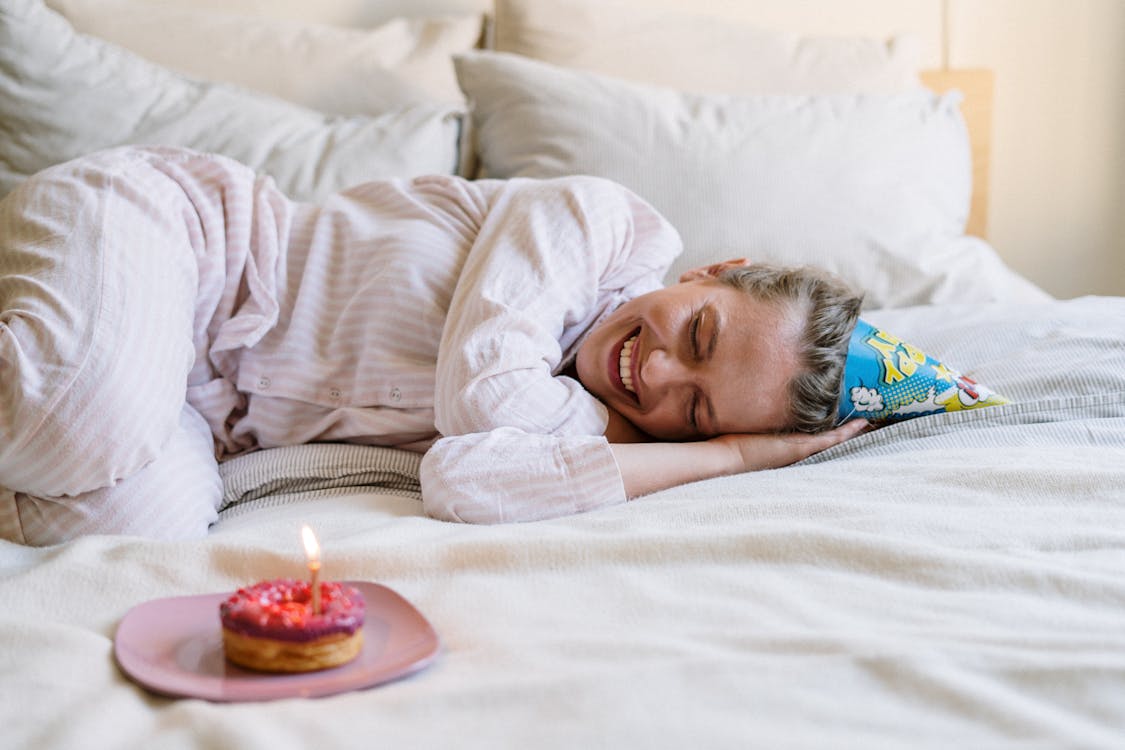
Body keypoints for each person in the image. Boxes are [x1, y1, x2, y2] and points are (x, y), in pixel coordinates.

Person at [0, 146, 865, 545]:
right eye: (698, 332)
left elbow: (460, 480)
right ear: (712, 271)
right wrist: (671, 437)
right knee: (82, 423)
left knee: (129, 532)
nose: (661, 372)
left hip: (198, 412)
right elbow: (482, 400)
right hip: (178, 242)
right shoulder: (595, 222)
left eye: (697, 409)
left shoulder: (618, 434)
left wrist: (727, 461)